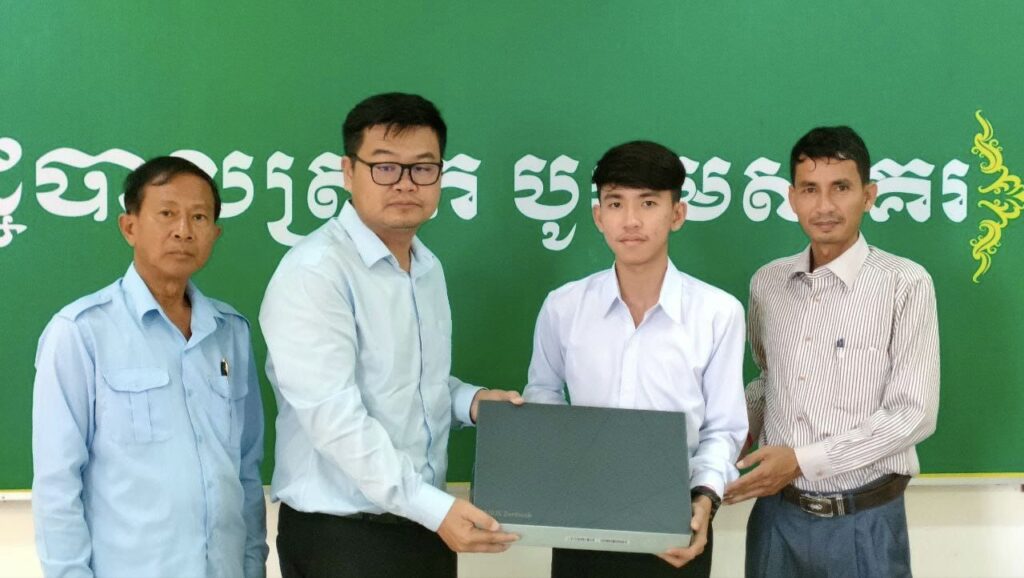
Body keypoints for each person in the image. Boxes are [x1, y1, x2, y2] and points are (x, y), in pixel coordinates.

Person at [260, 92, 521, 578]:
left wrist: (472, 403)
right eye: (384, 167)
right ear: (348, 171)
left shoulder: (426, 267)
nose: (405, 183)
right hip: (343, 539)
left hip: (423, 527)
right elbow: (335, 419)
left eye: (422, 168)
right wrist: (433, 508)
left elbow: (413, 382)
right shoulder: (315, 273)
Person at [32, 156, 268, 577]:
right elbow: (57, 484)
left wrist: (252, 567)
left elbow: (246, 471)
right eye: (167, 214)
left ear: (215, 233)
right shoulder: (81, 332)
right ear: (129, 227)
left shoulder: (231, 332)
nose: (184, 230)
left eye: (199, 217)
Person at [522, 140, 748, 578]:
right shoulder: (563, 307)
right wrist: (565, 455)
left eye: (648, 203)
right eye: (615, 203)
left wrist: (704, 499)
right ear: (598, 216)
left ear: (676, 214)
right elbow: (542, 393)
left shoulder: (718, 313)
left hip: (676, 521)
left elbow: (723, 428)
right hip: (582, 521)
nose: (630, 220)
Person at [724, 126, 940, 577]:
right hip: (776, 519)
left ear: (868, 195)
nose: (824, 206)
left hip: (865, 521)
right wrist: (731, 431)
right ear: (792, 198)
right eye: (810, 189)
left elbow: (913, 414)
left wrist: (802, 462)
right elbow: (769, 379)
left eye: (840, 187)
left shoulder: (905, 283)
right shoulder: (767, 283)